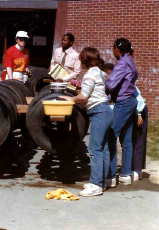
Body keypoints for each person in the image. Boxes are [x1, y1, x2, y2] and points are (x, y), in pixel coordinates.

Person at [60, 47, 113, 197]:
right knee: (103, 149)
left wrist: (71, 99)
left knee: (95, 149)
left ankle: (96, 185)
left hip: (99, 112)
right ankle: (101, 181)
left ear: (85, 61)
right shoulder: (99, 73)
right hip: (106, 111)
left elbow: (83, 97)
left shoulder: (90, 75)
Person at [106, 38, 138, 187]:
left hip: (123, 102)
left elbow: (111, 84)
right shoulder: (130, 61)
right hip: (131, 101)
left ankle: (111, 176)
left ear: (117, 49)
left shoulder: (122, 63)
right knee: (126, 140)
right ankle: (125, 174)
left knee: (111, 136)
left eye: (113, 49)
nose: (112, 52)